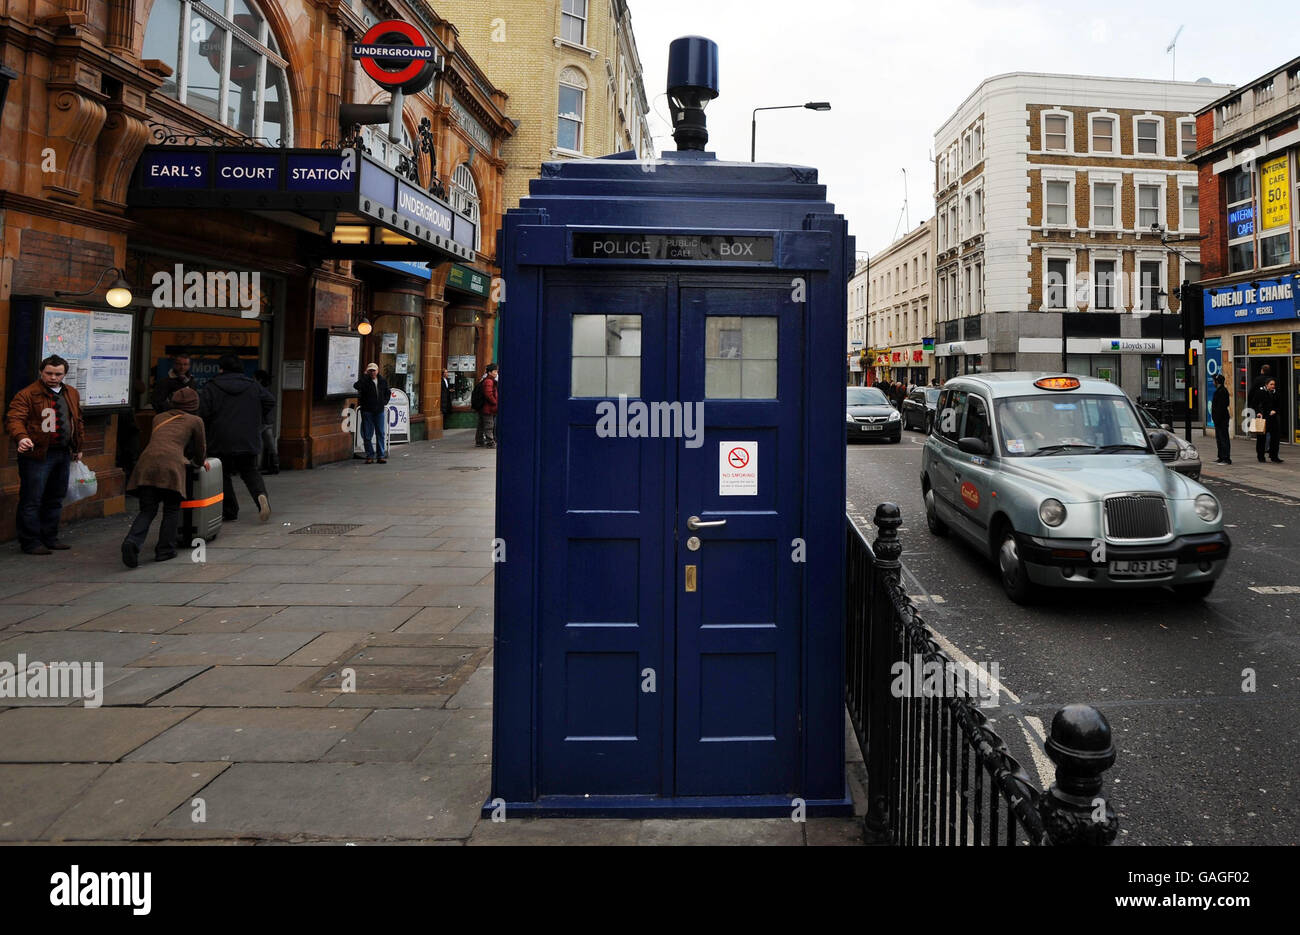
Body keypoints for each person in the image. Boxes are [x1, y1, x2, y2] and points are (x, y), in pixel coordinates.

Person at [5, 355, 84, 555]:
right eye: (49, 373)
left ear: (64, 374)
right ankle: (30, 541)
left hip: (63, 452)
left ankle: (50, 537)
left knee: (56, 497)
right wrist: (22, 437)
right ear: (41, 372)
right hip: (38, 454)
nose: (53, 377)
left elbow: (76, 420)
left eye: (58, 374)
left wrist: (77, 447)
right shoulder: (28, 394)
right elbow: (14, 418)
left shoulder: (71, 393)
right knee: (32, 498)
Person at [121, 387, 207, 567]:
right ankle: (165, 550)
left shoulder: (158, 418)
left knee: (147, 510)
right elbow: (200, 449)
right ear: (195, 404)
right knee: (171, 509)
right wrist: (198, 462)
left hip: (146, 465)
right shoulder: (195, 420)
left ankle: (132, 542)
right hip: (171, 468)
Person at [198, 355, 274, 521]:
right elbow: (270, 401)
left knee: (222, 474)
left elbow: (203, 412)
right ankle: (261, 497)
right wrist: (256, 416)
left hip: (220, 437)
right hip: (247, 437)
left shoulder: (212, 386)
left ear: (221, 369)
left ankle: (230, 510)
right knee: (250, 471)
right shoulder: (253, 385)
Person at [354, 362, 390, 464]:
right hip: (367, 411)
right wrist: (365, 376)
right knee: (367, 434)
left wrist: (384, 402)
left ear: (377, 371)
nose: (372, 372)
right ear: (367, 371)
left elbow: (388, 392)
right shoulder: (365, 381)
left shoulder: (382, 381)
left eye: (374, 370)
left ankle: (380, 456)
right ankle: (369, 455)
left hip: (379, 411)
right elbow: (356, 386)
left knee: (380, 434)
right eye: (370, 370)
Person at [1249, 376, 1283, 463]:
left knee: (1275, 438)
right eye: (1271, 384)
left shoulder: (1276, 393)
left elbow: (1279, 406)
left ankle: (1274, 456)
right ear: (1266, 385)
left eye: (1274, 384)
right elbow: (1254, 404)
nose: (1273, 386)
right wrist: (1258, 412)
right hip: (1263, 418)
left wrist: (1275, 411)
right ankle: (1260, 456)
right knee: (1261, 438)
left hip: (1273, 418)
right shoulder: (1260, 392)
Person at [254, 369, 279, 475]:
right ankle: (274, 466)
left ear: (259, 379)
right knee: (270, 444)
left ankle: (254, 466)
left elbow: (270, 401)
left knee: (255, 442)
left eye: (254, 377)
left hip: (262, 421)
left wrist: (260, 412)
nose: (253, 379)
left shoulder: (259, 389)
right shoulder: (266, 389)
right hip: (268, 421)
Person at [474, 363, 499, 449]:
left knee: (481, 425)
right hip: (488, 408)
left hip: (484, 407)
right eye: (495, 371)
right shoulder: (489, 381)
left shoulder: (487, 380)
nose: (496, 373)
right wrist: (495, 402)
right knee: (489, 425)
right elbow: (488, 394)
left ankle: (479, 441)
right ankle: (490, 442)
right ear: (490, 372)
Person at [1211, 374, 1231, 465]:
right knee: (1219, 438)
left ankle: (1226, 458)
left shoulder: (1222, 391)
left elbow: (1222, 407)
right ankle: (1220, 457)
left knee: (1223, 439)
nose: (1212, 382)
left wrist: (1217, 418)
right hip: (1218, 419)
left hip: (1222, 419)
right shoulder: (1219, 391)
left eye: (1213, 380)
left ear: (1217, 382)